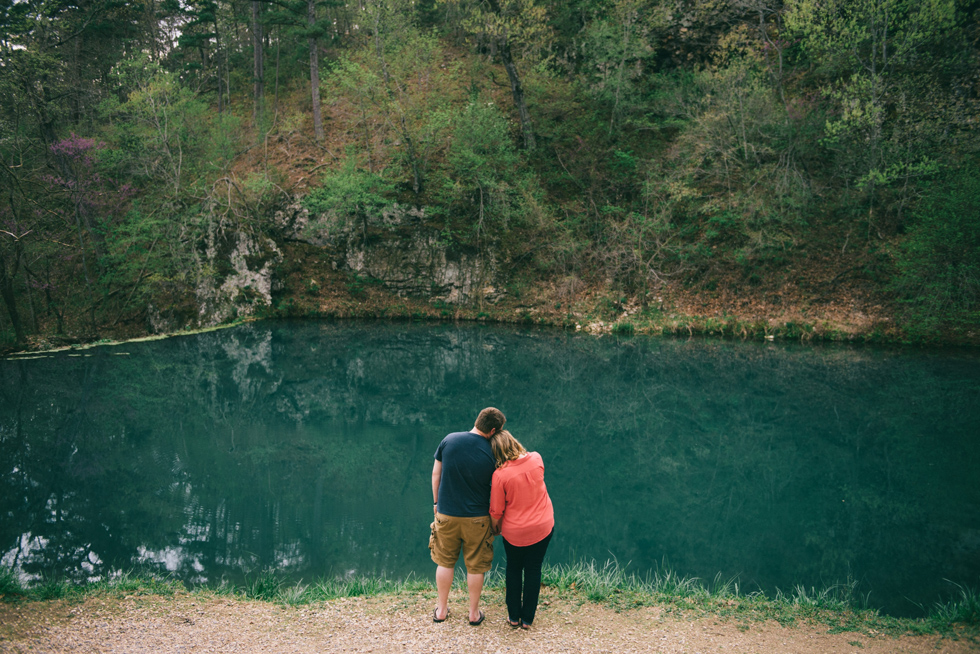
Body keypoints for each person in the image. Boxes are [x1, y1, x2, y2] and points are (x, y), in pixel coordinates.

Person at [430, 407, 506, 626]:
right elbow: (497, 488)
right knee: (475, 566)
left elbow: (436, 474)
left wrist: (436, 503)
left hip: (446, 514)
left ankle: (442, 610)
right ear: (493, 430)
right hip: (478, 518)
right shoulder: (494, 451)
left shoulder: (449, 440)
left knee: (445, 562)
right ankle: (473, 614)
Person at [489, 429, 555, 630]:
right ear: (514, 442)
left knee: (514, 569)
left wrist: (494, 529)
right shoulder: (536, 458)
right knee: (534, 569)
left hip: (515, 533)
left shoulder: (500, 475)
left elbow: (496, 510)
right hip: (543, 526)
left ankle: (513, 617)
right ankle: (527, 619)